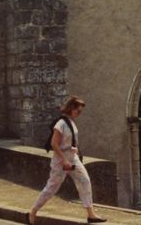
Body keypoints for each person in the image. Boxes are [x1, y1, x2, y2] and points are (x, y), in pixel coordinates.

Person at [29, 96, 106, 224]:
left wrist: (73, 149)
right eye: (78, 111)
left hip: (72, 157)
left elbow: (69, 140)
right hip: (61, 160)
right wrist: (64, 160)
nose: (79, 114)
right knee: (52, 188)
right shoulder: (61, 123)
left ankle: (91, 214)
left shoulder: (71, 122)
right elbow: (54, 144)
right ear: (71, 108)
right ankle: (33, 212)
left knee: (84, 181)